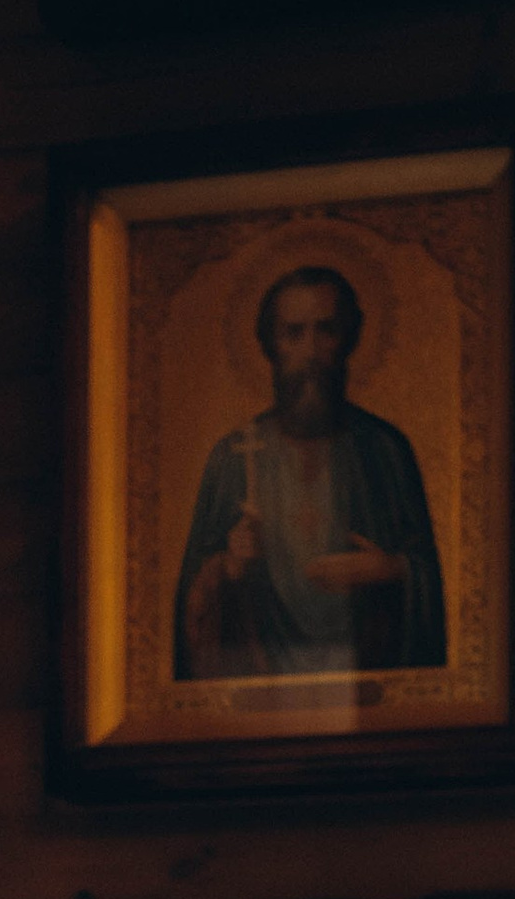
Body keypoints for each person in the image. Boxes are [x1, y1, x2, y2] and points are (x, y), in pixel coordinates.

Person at [174, 265, 446, 680]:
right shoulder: (232, 457)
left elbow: (427, 576)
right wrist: (229, 565)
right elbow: (191, 610)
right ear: (270, 344)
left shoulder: (385, 450)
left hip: (366, 684)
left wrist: (391, 570)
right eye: (294, 333)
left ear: (349, 338)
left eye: (326, 330)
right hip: (261, 687)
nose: (311, 351)